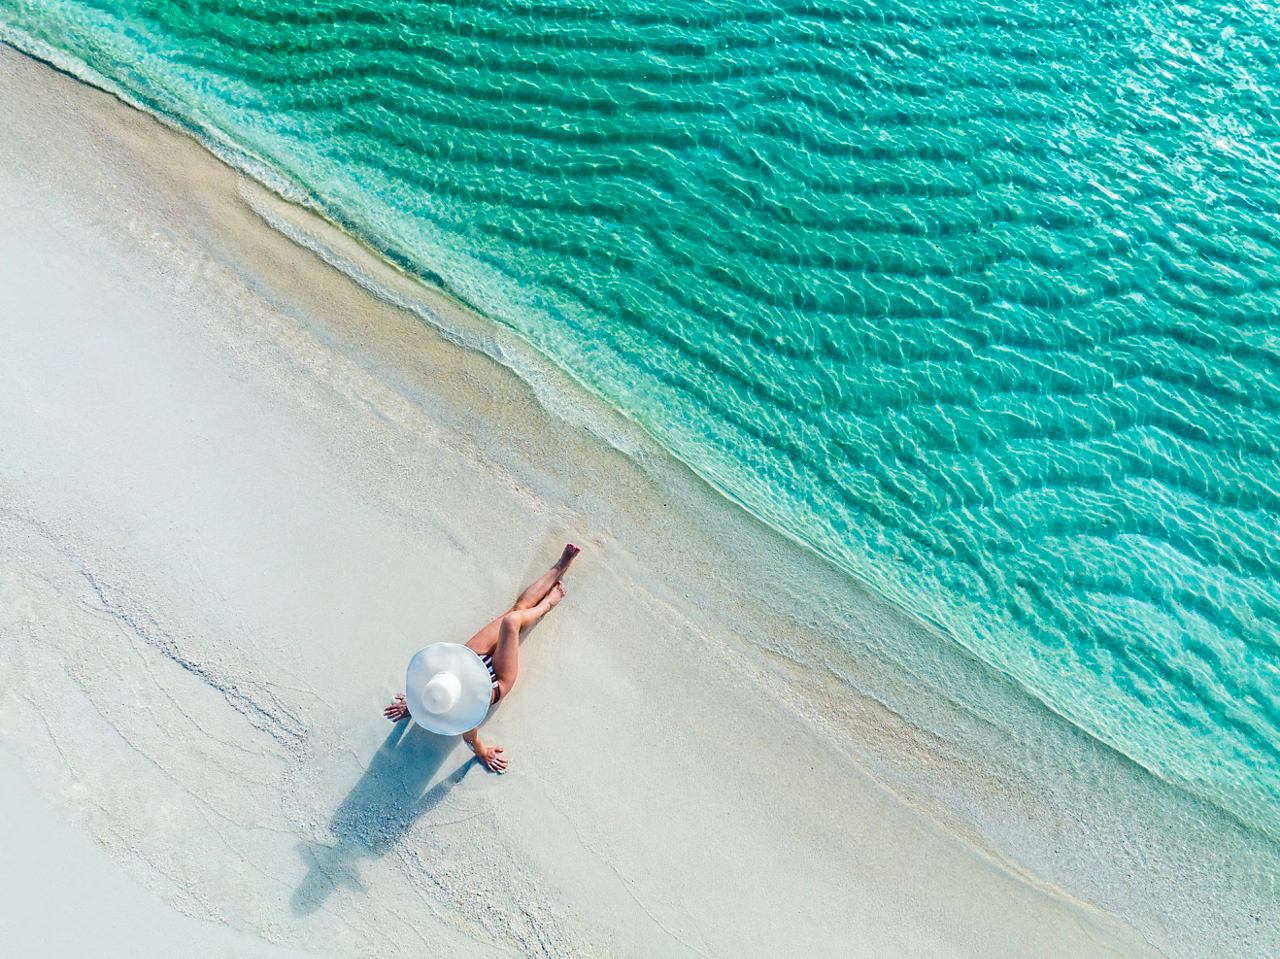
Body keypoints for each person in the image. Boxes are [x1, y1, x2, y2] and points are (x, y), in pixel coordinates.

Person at [383, 543, 581, 772]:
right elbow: (470, 738)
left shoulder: (432, 688)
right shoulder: (464, 711)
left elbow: (425, 688)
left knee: (517, 609)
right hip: (495, 681)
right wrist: (483, 753)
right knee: (512, 622)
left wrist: (413, 706)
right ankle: (546, 605)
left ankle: (559, 566)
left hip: (471, 659)